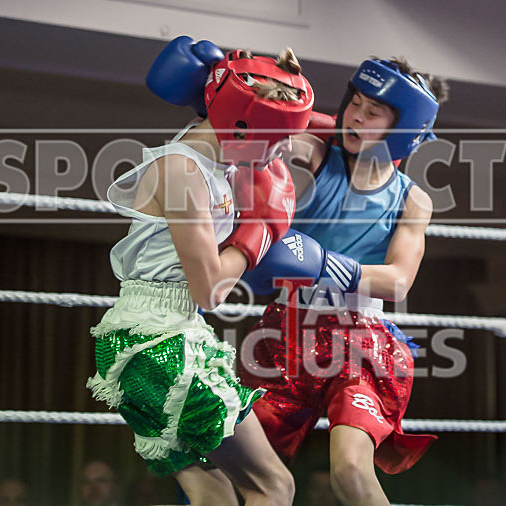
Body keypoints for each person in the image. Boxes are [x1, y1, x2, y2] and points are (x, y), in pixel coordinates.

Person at [191, 57, 448, 506]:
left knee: (350, 471)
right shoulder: (319, 148)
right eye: (355, 103)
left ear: (402, 130)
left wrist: (322, 263)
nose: (356, 116)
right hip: (285, 331)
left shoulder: (413, 199)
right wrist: (257, 81)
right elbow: (258, 124)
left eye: (374, 112)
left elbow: (399, 280)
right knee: (233, 467)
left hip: (360, 341)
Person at [86, 36, 314, 505]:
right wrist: (259, 237)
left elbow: (287, 126)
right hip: (160, 342)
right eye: (274, 143)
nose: (283, 153)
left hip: (150, 339)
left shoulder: (216, 142)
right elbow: (210, 288)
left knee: (215, 494)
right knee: (274, 485)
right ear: (243, 129)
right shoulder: (184, 172)